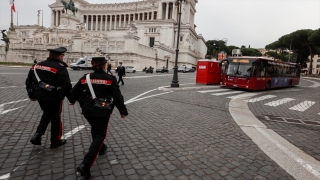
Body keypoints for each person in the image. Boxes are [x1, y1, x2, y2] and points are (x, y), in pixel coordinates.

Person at [71, 57, 128, 179]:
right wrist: (122, 111)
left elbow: (74, 92)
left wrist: (76, 101)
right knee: (100, 134)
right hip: (102, 110)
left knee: (95, 128)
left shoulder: (85, 77)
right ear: (104, 65)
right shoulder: (110, 78)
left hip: (87, 109)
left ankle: (102, 148)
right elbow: (117, 97)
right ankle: (86, 165)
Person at [25, 47, 76, 149]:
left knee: (47, 114)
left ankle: (37, 135)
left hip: (40, 96)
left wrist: (31, 95)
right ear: (60, 56)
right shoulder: (59, 67)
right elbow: (66, 85)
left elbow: (28, 81)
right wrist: (72, 99)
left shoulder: (36, 65)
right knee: (55, 118)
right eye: (62, 56)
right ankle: (55, 141)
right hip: (54, 96)